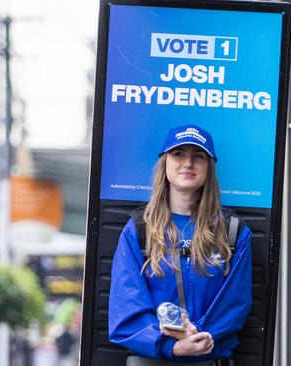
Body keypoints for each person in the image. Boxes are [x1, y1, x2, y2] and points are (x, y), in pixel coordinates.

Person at [108, 125, 252, 365]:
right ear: (165, 163)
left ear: (209, 167)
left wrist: (195, 340)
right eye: (178, 154)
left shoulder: (233, 233)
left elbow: (234, 304)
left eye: (198, 156)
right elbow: (125, 306)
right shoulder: (138, 230)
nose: (188, 163)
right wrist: (171, 346)